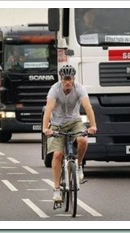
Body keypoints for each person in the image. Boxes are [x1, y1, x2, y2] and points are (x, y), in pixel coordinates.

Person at [42, 65, 97, 202]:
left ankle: (78, 166)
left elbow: (88, 107)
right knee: (57, 154)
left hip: (74, 121)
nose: (67, 82)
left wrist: (93, 125)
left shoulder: (79, 89)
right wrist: (45, 128)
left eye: (70, 79)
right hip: (57, 124)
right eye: (65, 79)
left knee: (83, 140)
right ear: (61, 79)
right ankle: (56, 189)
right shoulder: (54, 90)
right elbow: (48, 109)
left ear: (74, 79)